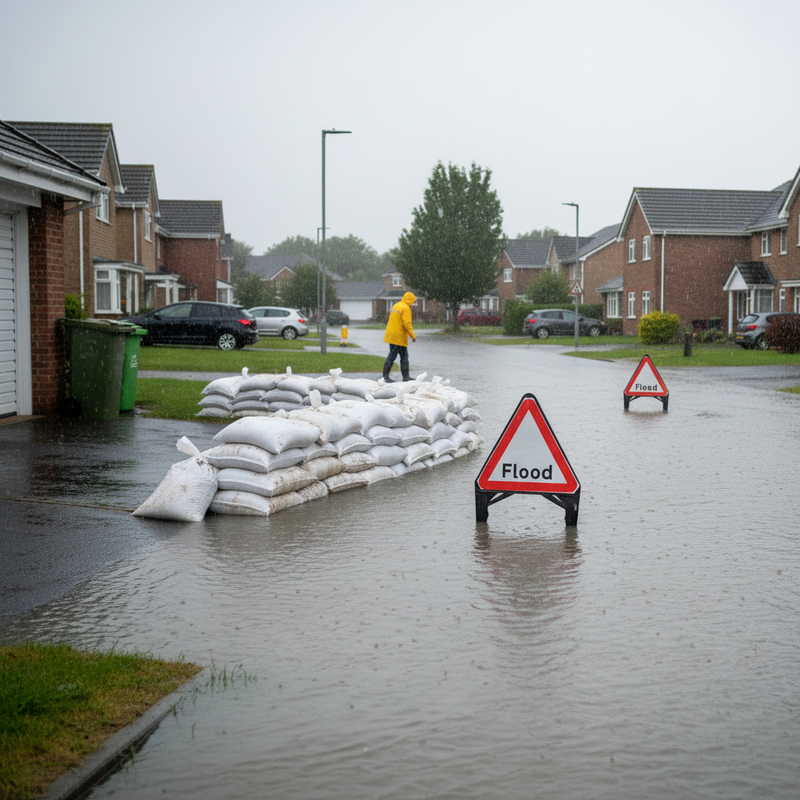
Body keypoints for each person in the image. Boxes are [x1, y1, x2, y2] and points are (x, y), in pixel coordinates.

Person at [382, 291, 416, 382]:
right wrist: (412, 336)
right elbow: (407, 323)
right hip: (399, 336)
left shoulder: (397, 305)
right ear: (410, 301)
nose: (412, 304)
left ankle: (386, 376)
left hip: (392, 334)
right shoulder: (406, 308)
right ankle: (403, 377)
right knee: (402, 357)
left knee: (395, 355)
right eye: (413, 302)